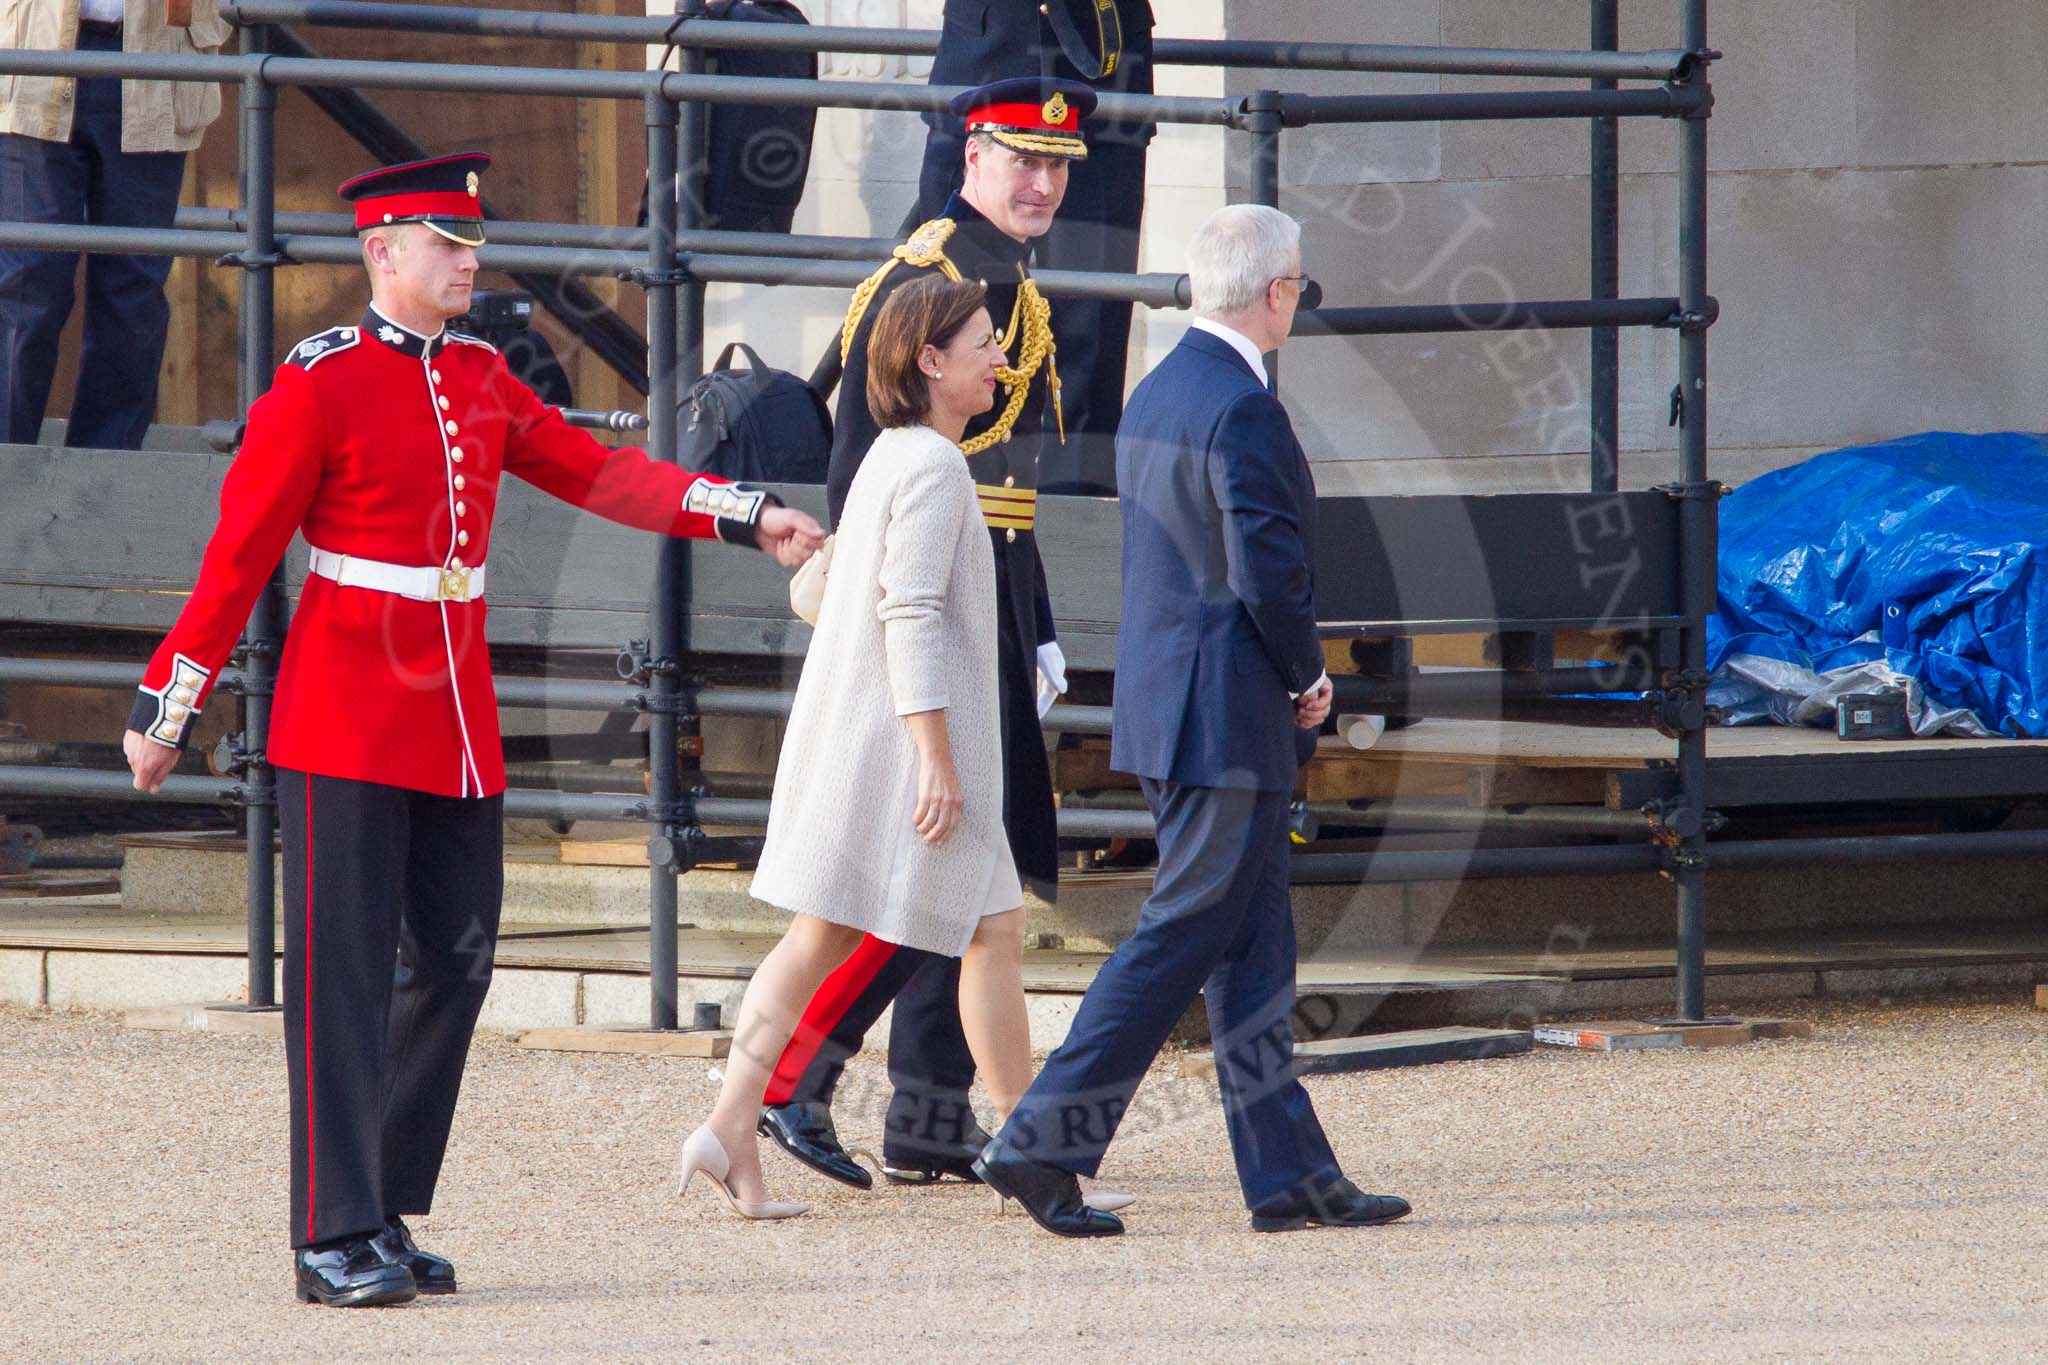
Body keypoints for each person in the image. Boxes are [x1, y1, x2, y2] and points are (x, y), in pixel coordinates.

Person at [119, 152, 823, 1306]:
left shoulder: (486, 376)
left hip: (450, 714)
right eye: (445, 245)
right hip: (341, 713)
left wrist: (742, 513)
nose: (467, 261)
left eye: (471, 243)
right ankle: (326, 1231)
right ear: (380, 252)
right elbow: (238, 556)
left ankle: (381, 1207)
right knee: (339, 982)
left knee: (454, 958)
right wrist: (172, 701)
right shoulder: (319, 382)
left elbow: (600, 473)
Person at [973, 205, 1413, 1238]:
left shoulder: (1160, 389)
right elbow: (1267, 569)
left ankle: (1288, 1173)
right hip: (1227, 714)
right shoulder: (1241, 407)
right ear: (1275, 293)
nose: (1298, 300)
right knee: (1179, 937)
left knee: (1252, 949)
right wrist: (1308, 672)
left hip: (1175, 707)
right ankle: (1039, 1139)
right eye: (1298, 284)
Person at [756, 77, 1089, 1193]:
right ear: (970, 159)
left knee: (969, 877)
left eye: (1054, 166)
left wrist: (1031, 618)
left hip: (988, 590)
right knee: (940, 869)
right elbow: (870, 469)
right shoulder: (923, 282)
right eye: (1018, 160)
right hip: (929, 612)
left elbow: (1010, 483)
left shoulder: (1007, 282)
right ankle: (801, 1080)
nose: (1039, 183)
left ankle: (928, 1119)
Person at [679, 274, 1032, 1221]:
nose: (1000, 356)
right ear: (930, 361)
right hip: (898, 755)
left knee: (964, 929)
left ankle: (731, 1127)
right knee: (871, 937)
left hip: (871, 745)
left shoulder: (893, 456)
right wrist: (938, 756)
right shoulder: (931, 468)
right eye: (985, 343)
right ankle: (1039, 1151)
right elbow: (909, 613)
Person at [917, 0, 1155, 495]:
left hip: (1101, 65)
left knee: (1093, 320)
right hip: (986, 48)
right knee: (948, 300)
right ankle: (944, 482)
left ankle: (1077, 508)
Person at [0, 0, 231, 449]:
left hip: (159, 61)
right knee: (26, 283)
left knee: (134, 289)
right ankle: (3, 465)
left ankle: (104, 471)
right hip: (32, 54)